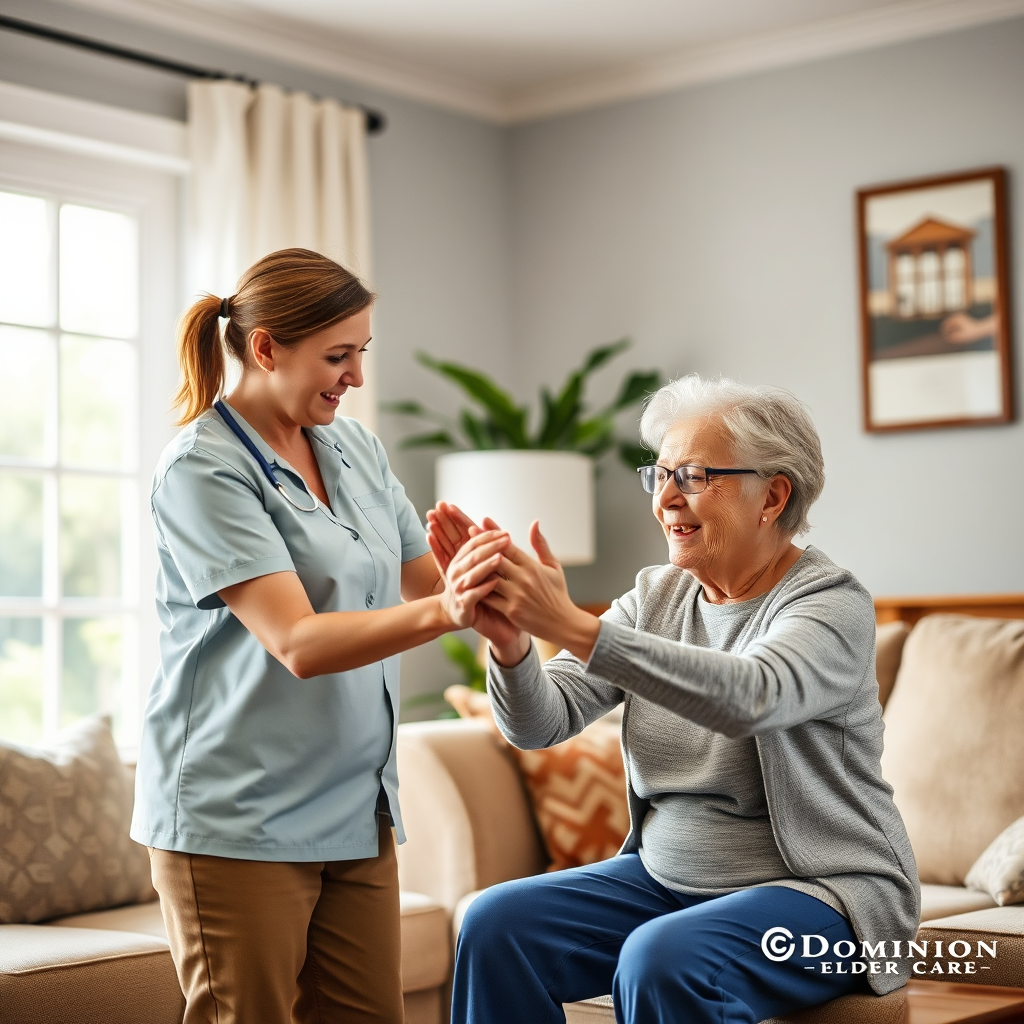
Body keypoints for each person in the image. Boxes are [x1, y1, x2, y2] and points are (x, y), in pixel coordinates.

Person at [438, 375, 920, 1024]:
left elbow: (753, 694)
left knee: (662, 958)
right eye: (659, 475)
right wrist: (512, 645)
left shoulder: (830, 604)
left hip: (832, 900)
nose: (665, 498)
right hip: (667, 885)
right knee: (496, 924)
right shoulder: (655, 598)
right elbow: (540, 725)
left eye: (693, 476)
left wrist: (575, 626)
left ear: (771, 496)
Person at [130, 249, 502, 1024]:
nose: (356, 377)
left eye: (362, 352)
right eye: (338, 356)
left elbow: (424, 583)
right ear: (265, 348)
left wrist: (490, 570)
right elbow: (297, 640)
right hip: (239, 816)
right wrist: (450, 610)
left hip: (355, 810)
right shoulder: (203, 468)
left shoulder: (356, 449)